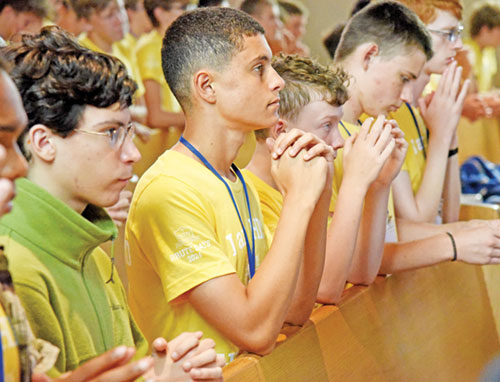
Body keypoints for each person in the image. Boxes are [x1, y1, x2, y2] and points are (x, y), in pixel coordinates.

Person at [1, 26, 224, 380]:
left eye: (129, 132)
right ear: (44, 143)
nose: (133, 154)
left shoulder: (92, 246)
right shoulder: (17, 263)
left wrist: (163, 368)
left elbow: (126, 366)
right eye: (111, 133)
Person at [126, 7, 332, 362]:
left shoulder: (237, 181)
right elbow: (256, 333)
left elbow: (296, 310)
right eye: (259, 68)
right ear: (207, 87)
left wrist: (320, 188)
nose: (277, 81)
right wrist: (298, 200)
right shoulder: (169, 189)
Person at [333, 1, 500, 275]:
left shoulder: (390, 110)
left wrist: (463, 230)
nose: (457, 45)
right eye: (447, 34)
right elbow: (361, 258)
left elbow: (427, 221)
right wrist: (453, 240)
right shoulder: (353, 124)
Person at [246, 54, 402, 302]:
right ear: (280, 131)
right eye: (327, 126)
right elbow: (325, 289)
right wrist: (355, 183)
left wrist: (380, 185)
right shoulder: (252, 199)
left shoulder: (311, 183)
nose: (339, 142)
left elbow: (360, 272)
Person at [383, 0, 467, 224]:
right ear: (413, 33)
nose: (458, 45)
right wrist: (440, 137)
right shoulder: (385, 111)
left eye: (458, 33)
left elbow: (449, 217)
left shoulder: (419, 109)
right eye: (448, 33)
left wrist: (450, 135)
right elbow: (418, 224)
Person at [456, 1, 500, 164]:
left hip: (485, 123)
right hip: (469, 125)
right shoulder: (466, 52)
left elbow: (486, 88)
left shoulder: (488, 55)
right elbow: (468, 94)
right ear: (485, 29)